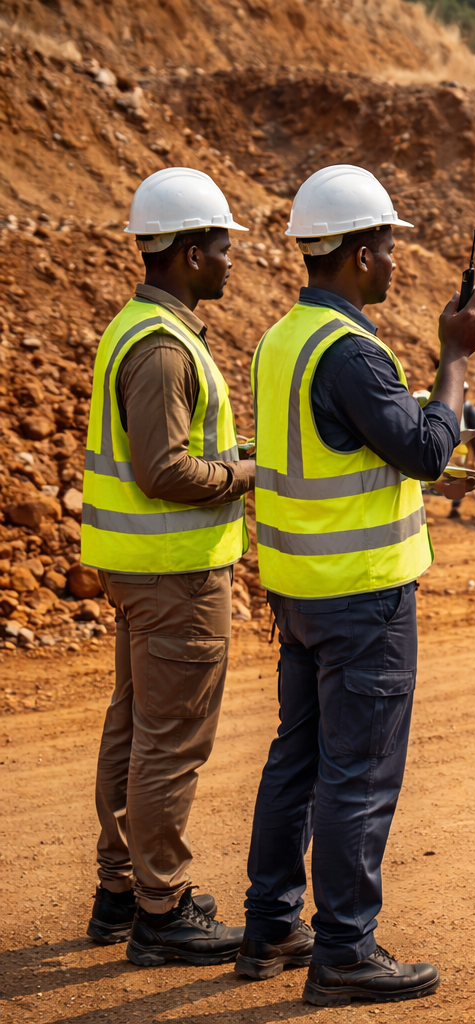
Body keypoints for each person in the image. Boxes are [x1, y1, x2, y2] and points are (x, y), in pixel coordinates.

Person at [242, 165, 475, 1004]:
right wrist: (454, 357)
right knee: (358, 772)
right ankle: (344, 949)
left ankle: (272, 924)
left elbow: (347, 450)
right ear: (354, 253)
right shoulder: (350, 351)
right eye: (386, 245)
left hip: (299, 591)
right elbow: (421, 449)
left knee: (297, 759)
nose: (394, 261)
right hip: (362, 597)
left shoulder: (281, 340)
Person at [82, 168, 252, 965]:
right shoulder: (160, 347)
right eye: (222, 246)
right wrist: (249, 475)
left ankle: (123, 890)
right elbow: (163, 471)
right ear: (189, 252)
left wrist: (233, 454)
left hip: (141, 570)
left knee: (136, 725)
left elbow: (173, 454)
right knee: (171, 739)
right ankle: (162, 908)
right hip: (176, 576)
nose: (230, 261)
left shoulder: (143, 327)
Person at [448, 381, 475, 520]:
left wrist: (474, 455)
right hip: (458, 451)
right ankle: (454, 505)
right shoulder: (467, 409)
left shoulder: (449, 406)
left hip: (452, 451)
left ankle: (454, 505)